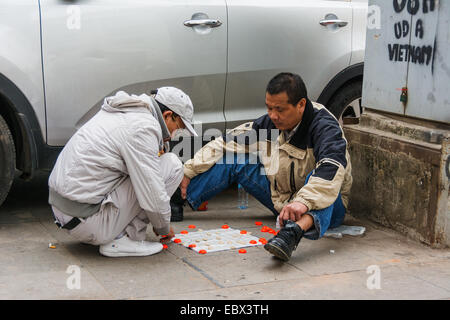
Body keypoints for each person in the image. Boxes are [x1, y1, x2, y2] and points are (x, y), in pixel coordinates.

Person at [179, 72, 352, 261]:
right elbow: (225, 142)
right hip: (283, 201)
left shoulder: (324, 127)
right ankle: (178, 199)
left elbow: (331, 169)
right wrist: (188, 170)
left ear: (301, 105)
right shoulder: (269, 123)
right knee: (237, 160)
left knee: (320, 178)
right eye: (269, 108)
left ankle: (292, 234)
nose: (273, 116)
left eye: (279, 109)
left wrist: (302, 203)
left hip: (327, 207)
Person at [48, 87, 197, 257]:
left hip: (66, 213)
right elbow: (153, 193)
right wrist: (162, 227)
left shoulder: (123, 111)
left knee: (148, 170)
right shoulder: (143, 127)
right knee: (172, 165)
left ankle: (110, 232)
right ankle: (125, 239)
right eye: (178, 127)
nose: (175, 134)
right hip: (87, 221)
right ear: (168, 115)